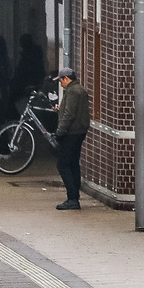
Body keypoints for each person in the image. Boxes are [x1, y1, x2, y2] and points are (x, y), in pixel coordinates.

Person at [53, 68, 90, 210]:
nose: (60, 83)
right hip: (79, 131)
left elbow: (69, 114)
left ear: (66, 78)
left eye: (61, 80)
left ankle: (72, 198)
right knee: (74, 163)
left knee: (63, 165)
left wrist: (59, 132)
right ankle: (74, 196)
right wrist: (60, 109)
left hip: (71, 133)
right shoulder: (79, 89)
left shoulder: (73, 91)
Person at [13, 34, 44, 105]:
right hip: (33, 81)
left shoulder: (28, 56)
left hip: (28, 82)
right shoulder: (36, 54)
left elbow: (23, 70)